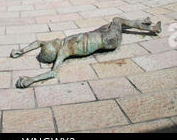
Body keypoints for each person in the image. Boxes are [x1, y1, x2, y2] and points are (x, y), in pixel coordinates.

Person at [11, 17, 161, 88]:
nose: (55, 40)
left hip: (98, 34)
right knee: (117, 20)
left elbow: (38, 42)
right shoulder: (63, 51)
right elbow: (53, 73)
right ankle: (151, 28)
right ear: (55, 50)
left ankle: (143, 23)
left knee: (111, 24)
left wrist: (21, 50)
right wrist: (32, 79)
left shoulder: (59, 45)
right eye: (54, 43)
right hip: (109, 41)